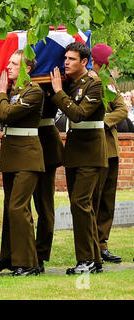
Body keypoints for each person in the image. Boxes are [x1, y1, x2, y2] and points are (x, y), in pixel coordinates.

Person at [50, 42, 107, 275]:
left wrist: (58, 92)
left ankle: (85, 260)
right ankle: (94, 259)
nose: (66, 62)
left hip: (91, 154)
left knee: (80, 203)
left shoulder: (95, 84)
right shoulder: (71, 83)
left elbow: (79, 115)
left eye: (71, 59)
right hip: (75, 153)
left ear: (84, 62)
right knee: (83, 207)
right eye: (65, 58)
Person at [0, 50, 45, 276]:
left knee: (18, 207)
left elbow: (7, 114)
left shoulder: (34, 91)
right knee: (12, 207)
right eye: (9, 62)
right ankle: (10, 256)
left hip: (28, 156)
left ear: (27, 69)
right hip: (12, 155)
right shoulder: (14, 90)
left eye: (14, 63)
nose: (8, 66)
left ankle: (28, 263)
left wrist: (1, 93)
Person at [89, 43, 128, 264]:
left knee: (107, 199)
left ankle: (102, 243)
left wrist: (102, 122)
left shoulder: (107, 83)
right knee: (94, 196)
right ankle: (93, 243)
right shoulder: (85, 82)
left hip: (109, 147)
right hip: (95, 148)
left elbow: (122, 109)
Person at [34, 82, 64, 273]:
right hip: (21, 142)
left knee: (44, 204)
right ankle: (15, 252)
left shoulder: (51, 80)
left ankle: (40, 253)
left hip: (45, 142)